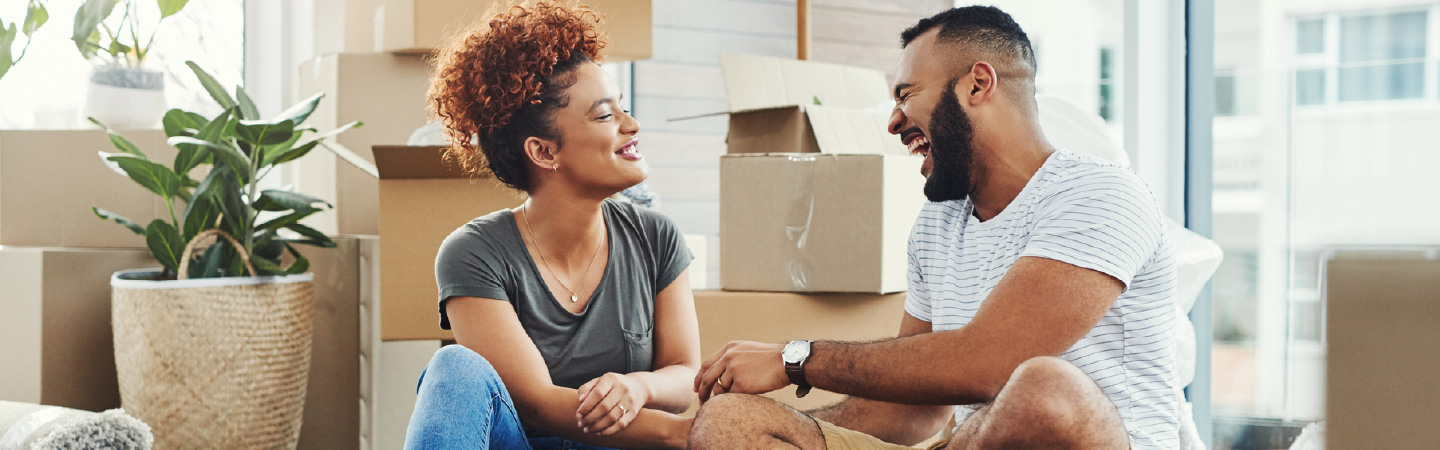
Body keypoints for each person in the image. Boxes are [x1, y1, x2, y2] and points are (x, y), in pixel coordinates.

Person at [688, 6, 1180, 450]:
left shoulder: (1099, 195)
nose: (893, 120)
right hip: (964, 441)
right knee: (734, 422)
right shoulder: (938, 223)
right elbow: (912, 409)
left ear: (977, 85)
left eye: (906, 94)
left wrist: (796, 358)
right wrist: (789, 426)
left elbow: (987, 366)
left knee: (1045, 390)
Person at [403, 2, 697, 449]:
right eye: (605, 116)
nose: (631, 126)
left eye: (624, 109)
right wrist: (688, 435)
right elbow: (537, 404)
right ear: (543, 152)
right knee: (453, 368)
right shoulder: (474, 253)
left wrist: (641, 387)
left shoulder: (656, 238)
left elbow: (685, 372)